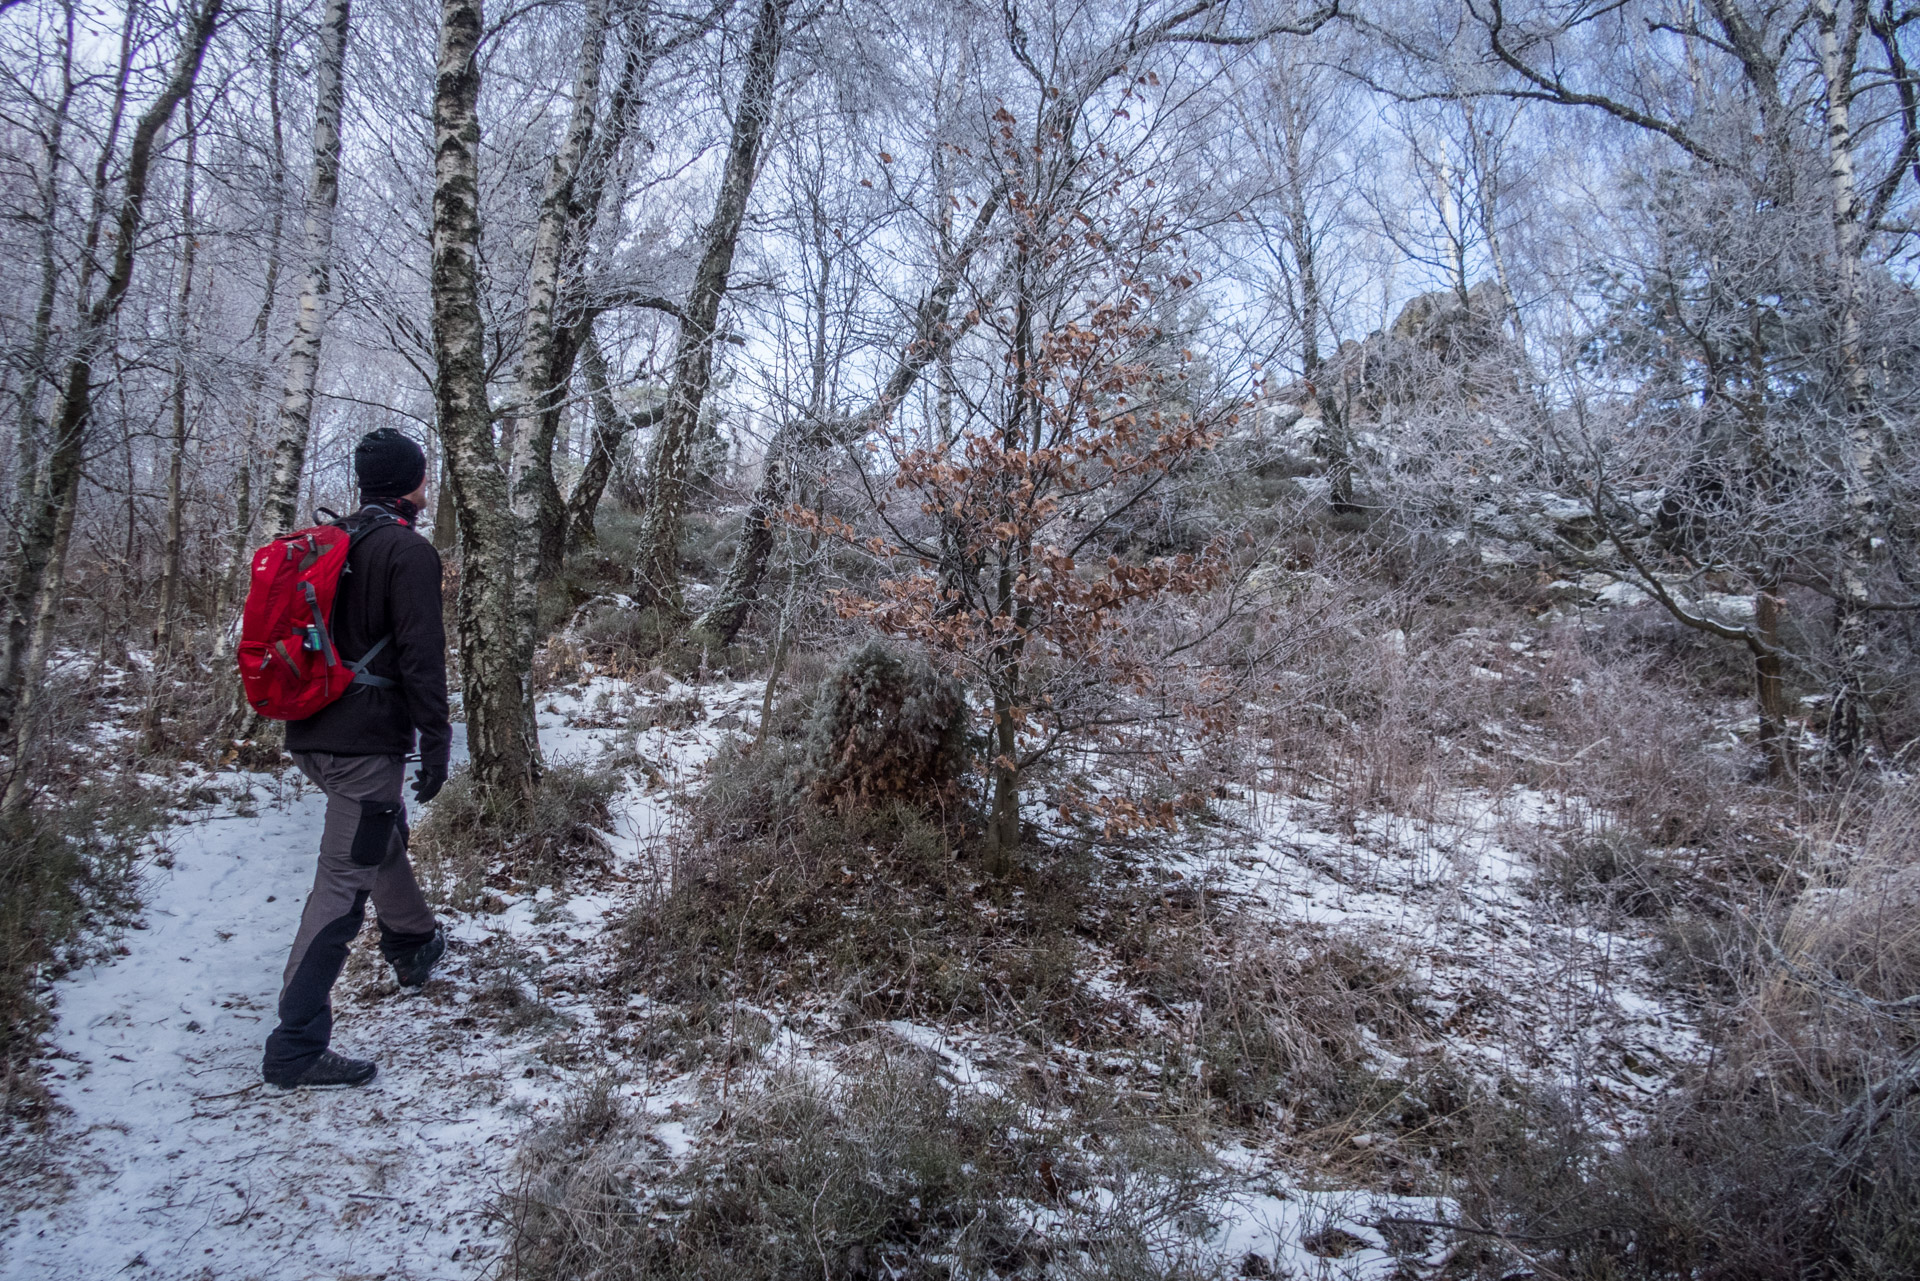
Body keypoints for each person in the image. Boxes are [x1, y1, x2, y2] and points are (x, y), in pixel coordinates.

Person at [262, 427, 452, 1089]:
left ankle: (412, 939)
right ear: (411, 484)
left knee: (376, 836)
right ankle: (295, 1044)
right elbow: (424, 659)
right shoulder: (407, 552)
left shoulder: (332, 542)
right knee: (341, 885)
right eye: (424, 476)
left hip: (312, 733)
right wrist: (437, 740)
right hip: (364, 744)